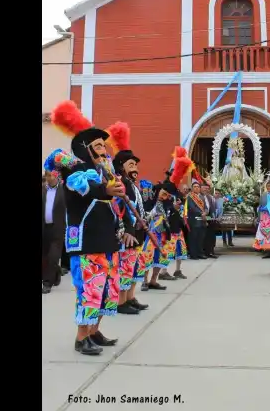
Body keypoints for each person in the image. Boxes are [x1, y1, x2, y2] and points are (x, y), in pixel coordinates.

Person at [49, 102, 137, 356]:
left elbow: (117, 203)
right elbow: (85, 190)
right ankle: (81, 337)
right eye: (98, 146)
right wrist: (106, 190)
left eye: (103, 145)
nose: (104, 149)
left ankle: (94, 331)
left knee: (107, 291)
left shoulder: (105, 173)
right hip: (87, 242)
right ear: (84, 149)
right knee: (91, 289)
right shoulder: (76, 172)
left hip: (108, 241)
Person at [111, 136, 156, 313]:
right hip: (125, 234)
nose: (135, 168)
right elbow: (119, 208)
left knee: (134, 267)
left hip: (137, 231)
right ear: (121, 167)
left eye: (135, 165)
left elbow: (139, 207)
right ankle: (121, 302)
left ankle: (130, 297)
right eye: (131, 165)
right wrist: (127, 228)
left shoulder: (133, 185)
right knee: (125, 267)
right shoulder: (120, 183)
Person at [158, 171, 189, 280]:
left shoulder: (177, 192)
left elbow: (181, 206)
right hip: (168, 225)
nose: (179, 179)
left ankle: (177, 270)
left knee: (180, 248)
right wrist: (172, 207)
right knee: (168, 248)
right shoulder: (164, 190)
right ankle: (163, 272)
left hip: (178, 224)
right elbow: (161, 207)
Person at [41, 169, 67, 294]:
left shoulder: (64, 191)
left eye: (51, 175)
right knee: (45, 256)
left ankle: (47, 283)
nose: (49, 177)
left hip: (58, 228)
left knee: (53, 255)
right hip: (44, 227)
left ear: (57, 176)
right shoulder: (43, 190)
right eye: (47, 175)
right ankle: (55, 274)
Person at [185, 179, 209, 260]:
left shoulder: (202, 197)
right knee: (193, 238)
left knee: (201, 238)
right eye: (194, 187)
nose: (196, 188)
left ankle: (200, 253)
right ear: (192, 188)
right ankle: (193, 254)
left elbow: (205, 207)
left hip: (202, 220)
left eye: (198, 187)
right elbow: (192, 208)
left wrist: (205, 212)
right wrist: (201, 213)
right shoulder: (190, 197)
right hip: (193, 220)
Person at [201, 181, 219, 258]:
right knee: (205, 237)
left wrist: (215, 217)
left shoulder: (211, 197)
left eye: (208, 189)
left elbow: (214, 208)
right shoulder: (199, 197)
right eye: (205, 188)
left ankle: (211, 251)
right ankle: (205, 252)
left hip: (211, 219)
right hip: (203, 218)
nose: (206, 190)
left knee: (211, 236)